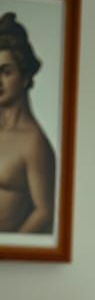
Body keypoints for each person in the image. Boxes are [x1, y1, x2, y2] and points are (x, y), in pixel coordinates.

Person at [0, 12, 56, 234]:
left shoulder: (33, 142)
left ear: (25, 76)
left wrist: (11, 248)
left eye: (6, 72)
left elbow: (45, 213)